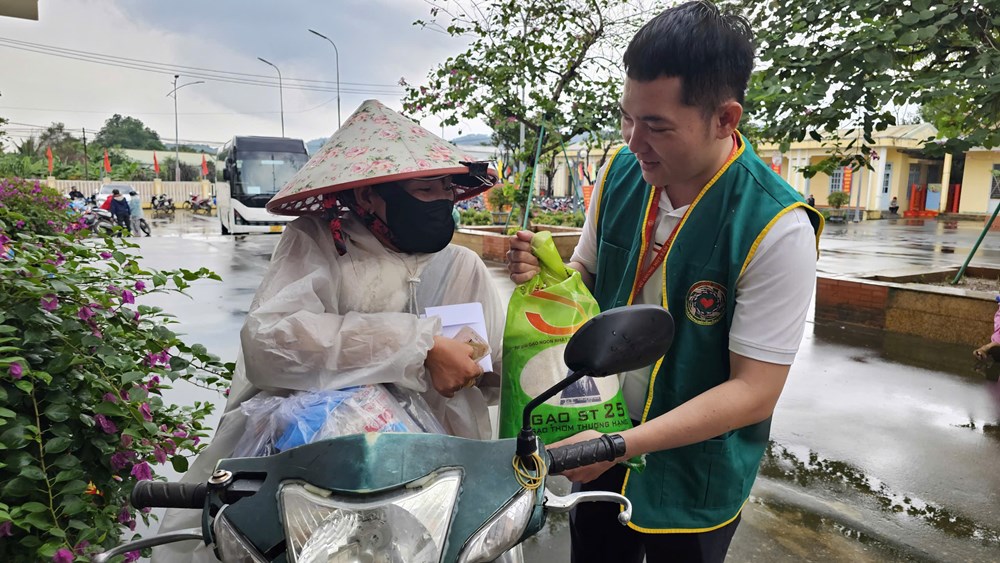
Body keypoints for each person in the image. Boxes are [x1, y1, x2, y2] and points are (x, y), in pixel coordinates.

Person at [507, 3, 822, 562]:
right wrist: (551, 280)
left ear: (726, 119)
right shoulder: (623, 173)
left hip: (692, 475)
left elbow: (755, 389)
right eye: (628, 117)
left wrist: (621, 446)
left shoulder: (774, 226)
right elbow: (586, 276)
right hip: (595, 437)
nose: (634, 141)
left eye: (657, 126)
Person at [154, 99, 505, 562]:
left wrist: (488, 363)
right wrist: (419, 346)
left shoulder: (462, 266)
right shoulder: (318, 243)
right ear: (367, 195)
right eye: (424, 188)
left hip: (439, 481)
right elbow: (269, 342)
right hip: (314, 479)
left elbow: (498, 373)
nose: (441, 199)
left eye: (446, 186)